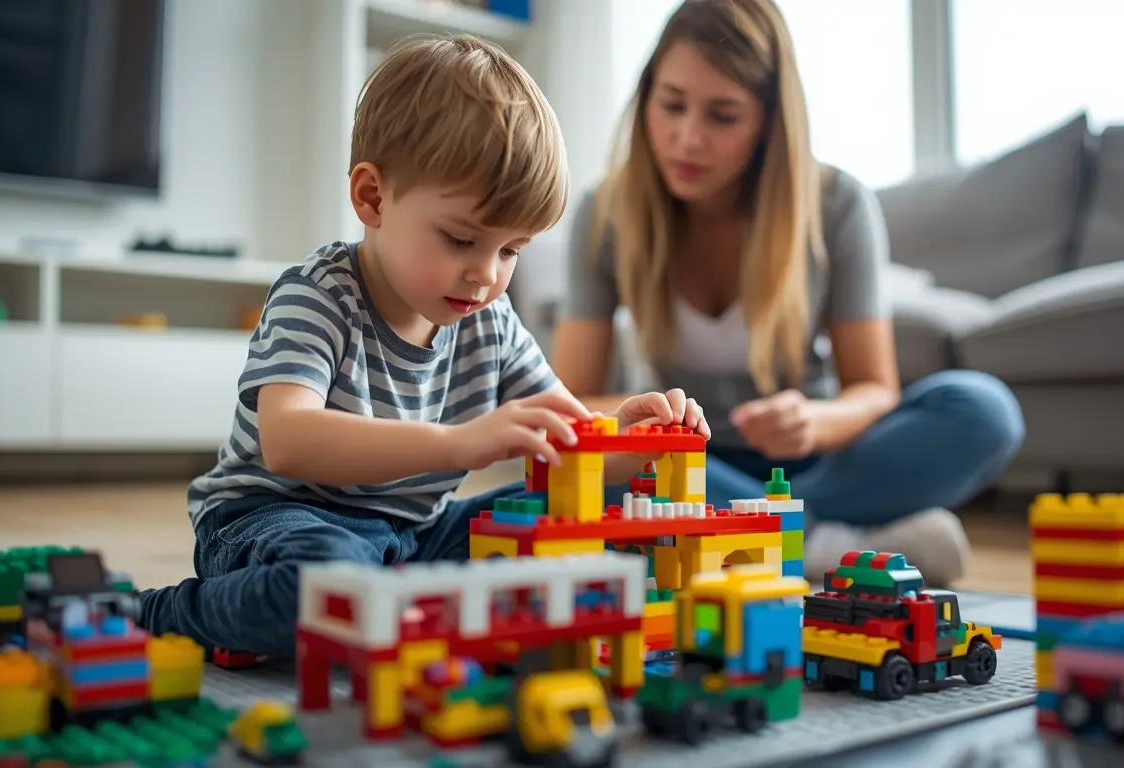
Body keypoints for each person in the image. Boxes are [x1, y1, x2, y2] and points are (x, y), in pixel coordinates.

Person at [136, 35, 708, 658]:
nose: (486, 274)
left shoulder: (490, 321)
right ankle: (161, 614)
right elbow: (288, 441)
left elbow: (569, 454)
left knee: (563, 522)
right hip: (275, 519)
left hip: (416, 535)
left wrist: (631, 441)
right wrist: (459, 443)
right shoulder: (317, 294)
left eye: (511, 250)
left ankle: (402, 610)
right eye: (462, 240)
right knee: (326, 581)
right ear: (373, 198)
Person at [551, 0, 1025, 586]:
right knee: (570, 469)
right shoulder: (606, 213)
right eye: (671, 104)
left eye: (722, 115)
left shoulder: (837, 205)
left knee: (983, 410)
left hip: (813, 464)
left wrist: (816, 422)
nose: (687, 138)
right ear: (645, 97)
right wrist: (647, 421)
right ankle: (835, 544)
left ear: (771, 120)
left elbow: (874, 390)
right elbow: (573, 402)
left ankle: (757, 537)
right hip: (686, 463)